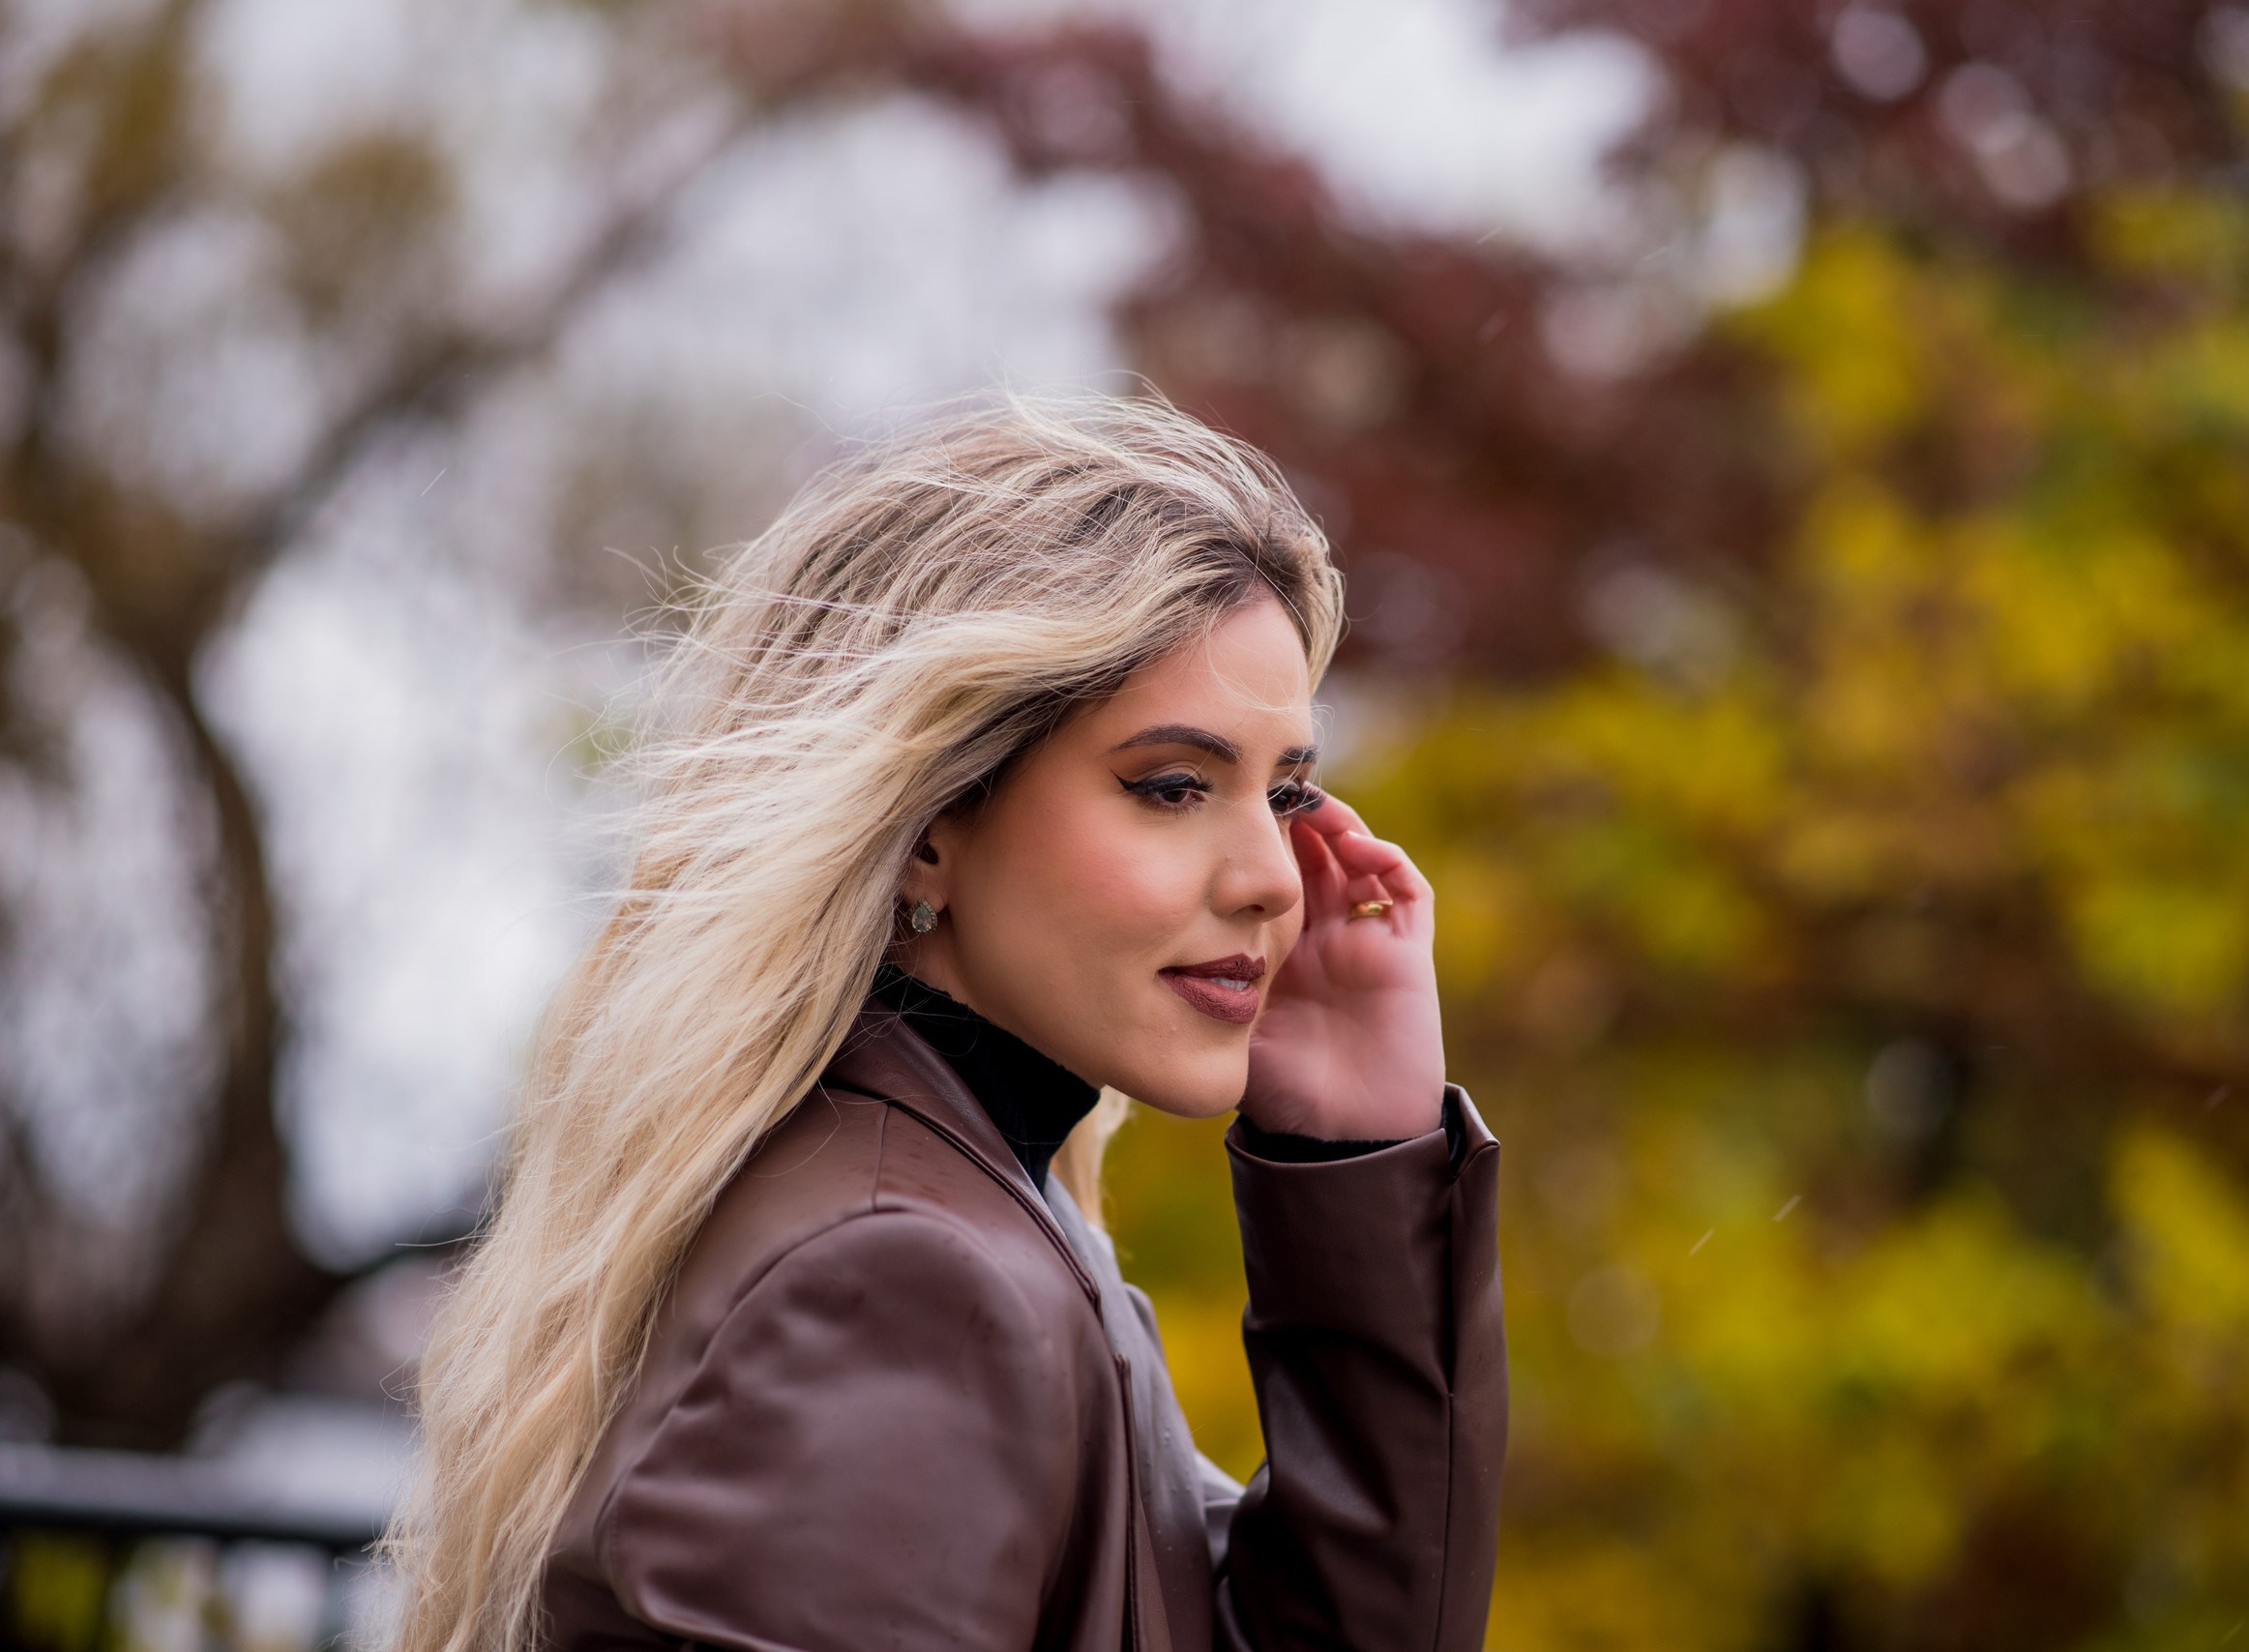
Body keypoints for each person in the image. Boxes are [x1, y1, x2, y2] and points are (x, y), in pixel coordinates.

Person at [385, 398, 1506, 1652]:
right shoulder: (902, 1281)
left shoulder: (988, 1229)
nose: (1274, 877)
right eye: (1173, 787)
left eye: (1287, 789)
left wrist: (1353, 1159)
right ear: (927, 830)